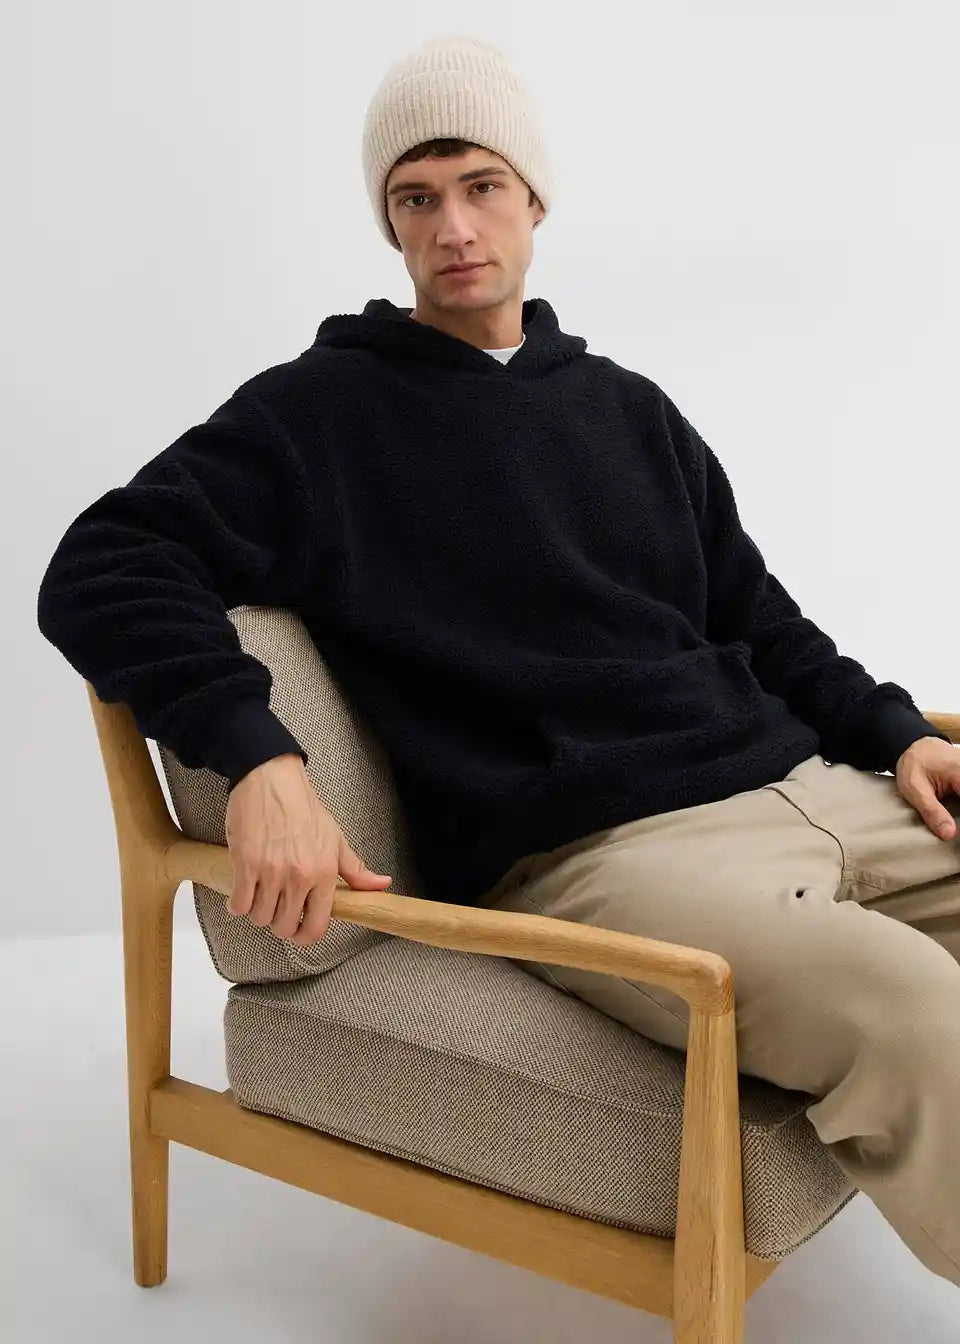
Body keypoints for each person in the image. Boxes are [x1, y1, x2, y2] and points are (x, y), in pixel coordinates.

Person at [36, 34, 960, 1288]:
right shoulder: (320, 415)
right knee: (913, 1011)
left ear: (535, 200)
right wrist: (258, 757)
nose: (453, 227)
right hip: (608, 857)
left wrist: (897, 735)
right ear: (390, 226)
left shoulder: (629, 408)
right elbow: (104, 560)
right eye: (415, 199)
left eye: (480, 186)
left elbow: (762, 624)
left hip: (810, 790)